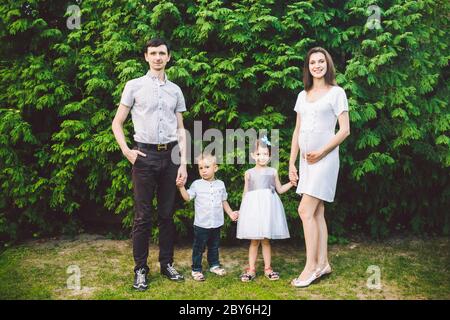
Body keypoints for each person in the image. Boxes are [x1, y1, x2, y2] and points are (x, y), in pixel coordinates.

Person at [112, 38, 188, 291]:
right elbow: (117, 122)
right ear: (146, 57)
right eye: (153, 53)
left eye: (162, 53)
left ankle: (166, 264)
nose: (157, 57)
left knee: (166, 216)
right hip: (143, 157)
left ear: (168, 57)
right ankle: (141, 270)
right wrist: (126, 151)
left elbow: (180, 129)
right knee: (143, 217)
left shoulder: (175, 90)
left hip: (170, 158)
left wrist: (184, 164)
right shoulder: (133, 86)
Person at [289, 47, 351, 287]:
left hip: (324, 160)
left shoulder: (337, 93)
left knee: (305, 211)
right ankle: (324, 263)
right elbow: (297, 130)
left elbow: (344, 129)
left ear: (328, 65)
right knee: (316, 212)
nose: (317, 65)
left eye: (321, 61)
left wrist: (323, 151)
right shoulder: (302, 95)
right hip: (305, 163)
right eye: (313, 62)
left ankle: (311, 267)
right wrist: (292, 162)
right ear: (308, 67)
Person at [237, 136, 293, 282]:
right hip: (254, 209)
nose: (262, 157)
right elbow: (246, 193)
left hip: (268, 209)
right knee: (254, 240)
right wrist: (242, 211)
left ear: (270, 156)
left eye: (265, 154)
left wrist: (292, 184)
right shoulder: (248, 173)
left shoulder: (273, 171)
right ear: (252, 155)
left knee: (266, 240)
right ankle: (251, 269)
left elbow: (279, 190)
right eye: (258, 154)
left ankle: (268, 268)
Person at [176, 153, 239, 281]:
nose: (203, 170)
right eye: (200, 168)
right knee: (199, 247)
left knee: (214, 246)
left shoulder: (221, 184)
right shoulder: (196, 184)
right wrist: (181, 187)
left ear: (215, 168)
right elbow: (188, 198)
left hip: (216, 223)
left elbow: (224, 201)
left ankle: (214, 265)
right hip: (201, 224)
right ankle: (196, 269)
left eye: (207, 167)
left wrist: (231, 213)